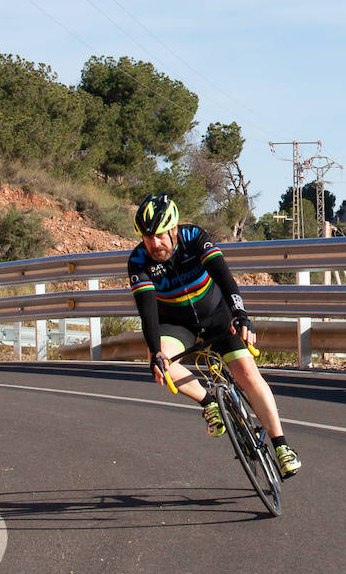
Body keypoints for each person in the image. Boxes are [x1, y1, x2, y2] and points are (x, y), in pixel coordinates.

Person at [127, 193, 301, 477]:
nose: (153, 244)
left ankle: (282, 445)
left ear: (173, 230)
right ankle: (208, 403)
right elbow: (147, 311)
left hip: (217, 314)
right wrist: (156, 351)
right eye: (147, 238)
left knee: (246, 370)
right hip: (177, 322)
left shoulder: (195, 237)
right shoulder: (138, 261)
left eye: (159, 236)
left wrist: (240, 314)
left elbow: (224, 276)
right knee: (156, 357)